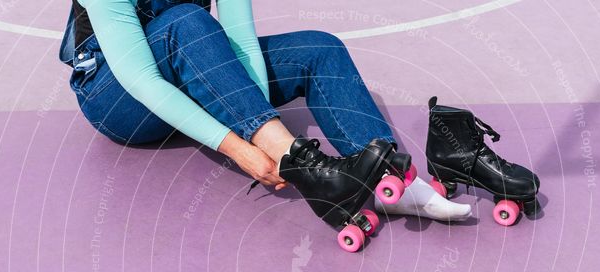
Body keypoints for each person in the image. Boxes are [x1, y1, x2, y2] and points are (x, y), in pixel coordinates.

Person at [60, 0, 472, 221]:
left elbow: (240, 44)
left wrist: (248, 115)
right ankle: (301, 163)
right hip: (117, 97)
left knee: (319, 49)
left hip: (191, 63)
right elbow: (142, 79)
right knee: (186, 22)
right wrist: (243, 148)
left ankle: (388, 181)